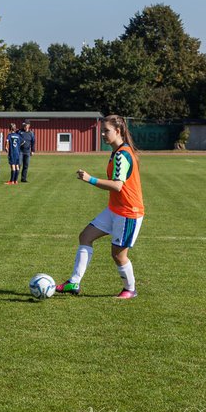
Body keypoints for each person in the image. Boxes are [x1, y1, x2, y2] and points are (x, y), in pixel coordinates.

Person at [60, 115, 144, 299]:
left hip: (129, 212)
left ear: (118, 131)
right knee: (85, 236)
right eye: (102, 131)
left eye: (106, 131)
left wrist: (90, 179)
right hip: (115, 209)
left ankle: (130, 289)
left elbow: (117, 185)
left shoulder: (123, 154)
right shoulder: (117, 152)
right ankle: (74, 282)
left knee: (118, 255)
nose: (103, 135)